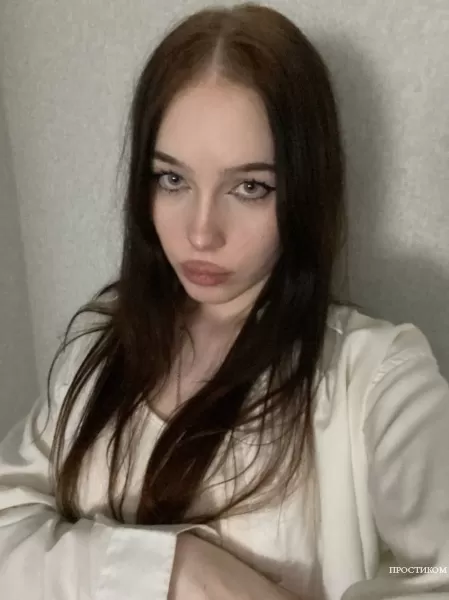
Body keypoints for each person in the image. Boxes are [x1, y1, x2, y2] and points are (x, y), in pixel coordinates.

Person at [0, 3, 448, 599]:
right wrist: (176, 569)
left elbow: (437, 571)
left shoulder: (376, 378)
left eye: (250, 187)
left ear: (304, 190)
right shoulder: (101, 346)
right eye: (173, 179)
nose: (201, 232)